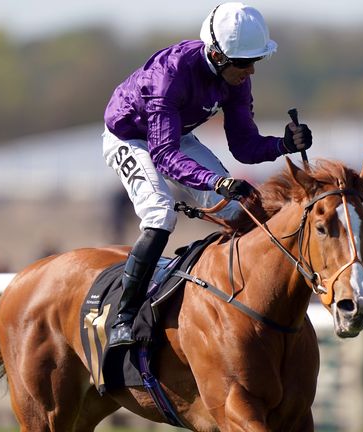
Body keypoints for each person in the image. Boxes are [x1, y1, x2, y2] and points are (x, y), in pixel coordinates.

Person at [102, 2, 313, 347]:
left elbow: (243, 145)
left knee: (242, 206)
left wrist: (283, 144)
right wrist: (215, 181)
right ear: (217, 56)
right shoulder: (168, 76)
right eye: (245, 64)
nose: (252, 71)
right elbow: (164, 155)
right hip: (130, 136)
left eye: (256, 61)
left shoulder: (236, 78)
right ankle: (124, 318)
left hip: (175, 135)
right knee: (160, 212)